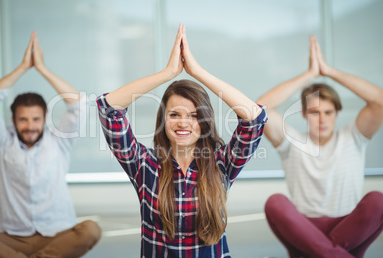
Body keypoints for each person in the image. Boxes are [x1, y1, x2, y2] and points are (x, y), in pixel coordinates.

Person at [97, 24, 267, 257]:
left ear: (205, 121)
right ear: (163, 120)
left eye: (194, 115)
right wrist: (168, 73)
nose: (183, 123)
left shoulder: (221, 163)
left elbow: (254, 119)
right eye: (174, 114)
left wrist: (197, 72)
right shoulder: (144, 164)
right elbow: (109, 109)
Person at [257, 35, 383, 258]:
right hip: (305, 232)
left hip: (349, 232)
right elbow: (258, 108)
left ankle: (326, 253)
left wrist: (330, 71)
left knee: (378, 200)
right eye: (315, 113)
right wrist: (308, 75)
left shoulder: (353, 137)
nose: (322, 119)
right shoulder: (291, 142)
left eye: (328, 112)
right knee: (275, 203)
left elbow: (379, 101)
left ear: (337, 113)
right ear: (304, 114)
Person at [0, 32, 101, 258]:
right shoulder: (0, 142)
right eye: (23, 119)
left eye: (35, 119)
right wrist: (23, 68)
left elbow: (80, 105)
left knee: (91, 230)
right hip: (8, 237)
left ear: (45, 119)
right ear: (13, 120)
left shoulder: (59, 141)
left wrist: (42, 68)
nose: (30, 126)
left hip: (56, 237)